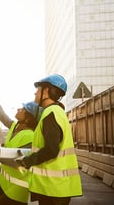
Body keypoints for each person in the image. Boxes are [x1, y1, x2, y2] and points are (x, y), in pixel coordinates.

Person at [15, 74, 82, 205]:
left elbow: (51, 149)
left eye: (38, 89)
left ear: (46, 91)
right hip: (56, 188)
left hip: (53, 189)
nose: (35, 92)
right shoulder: (56, 112)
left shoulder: (51, 114)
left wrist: (27, 161)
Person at [0, 83, 42, 205]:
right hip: (3, 184)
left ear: (28, 118)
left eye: (23, 109)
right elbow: (1, 114)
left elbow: (18, 159)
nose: (19, 109)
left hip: (17, 189)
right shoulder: (14, 126)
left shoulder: (30, 135)